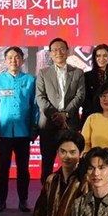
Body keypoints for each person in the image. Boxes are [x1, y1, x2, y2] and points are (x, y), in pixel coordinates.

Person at [0, 46, 39, 213]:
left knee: (23, 168)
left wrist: (34, 128)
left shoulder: (31, 80)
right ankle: (0, 200)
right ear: (5, 61)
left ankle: (23, 201)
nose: (13, 60)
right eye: (10, 57)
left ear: (22, 60)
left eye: (17, 57)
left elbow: (35, 107)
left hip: (23, 132)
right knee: (2, 168)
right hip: (3, 133)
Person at [36, 37, 86, 183]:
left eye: (62, 49)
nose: (59, 52)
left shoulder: (78, 72)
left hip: (70, 124)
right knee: (47, 163)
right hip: (48, 125)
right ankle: (46, 198)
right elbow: (40, 97)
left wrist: (66, 114)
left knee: (72, 162)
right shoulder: (43, 73)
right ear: (50, 54)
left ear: (68, 51)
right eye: (55, 50)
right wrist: (56, 115)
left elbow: (80, 95)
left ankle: (70, 194)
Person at [83, 44, 108, 125]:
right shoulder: (86, 76)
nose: (101, 59)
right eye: (98, 56)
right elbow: (85, 99)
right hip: (92, 117)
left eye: (105, 56)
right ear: (94, 58)